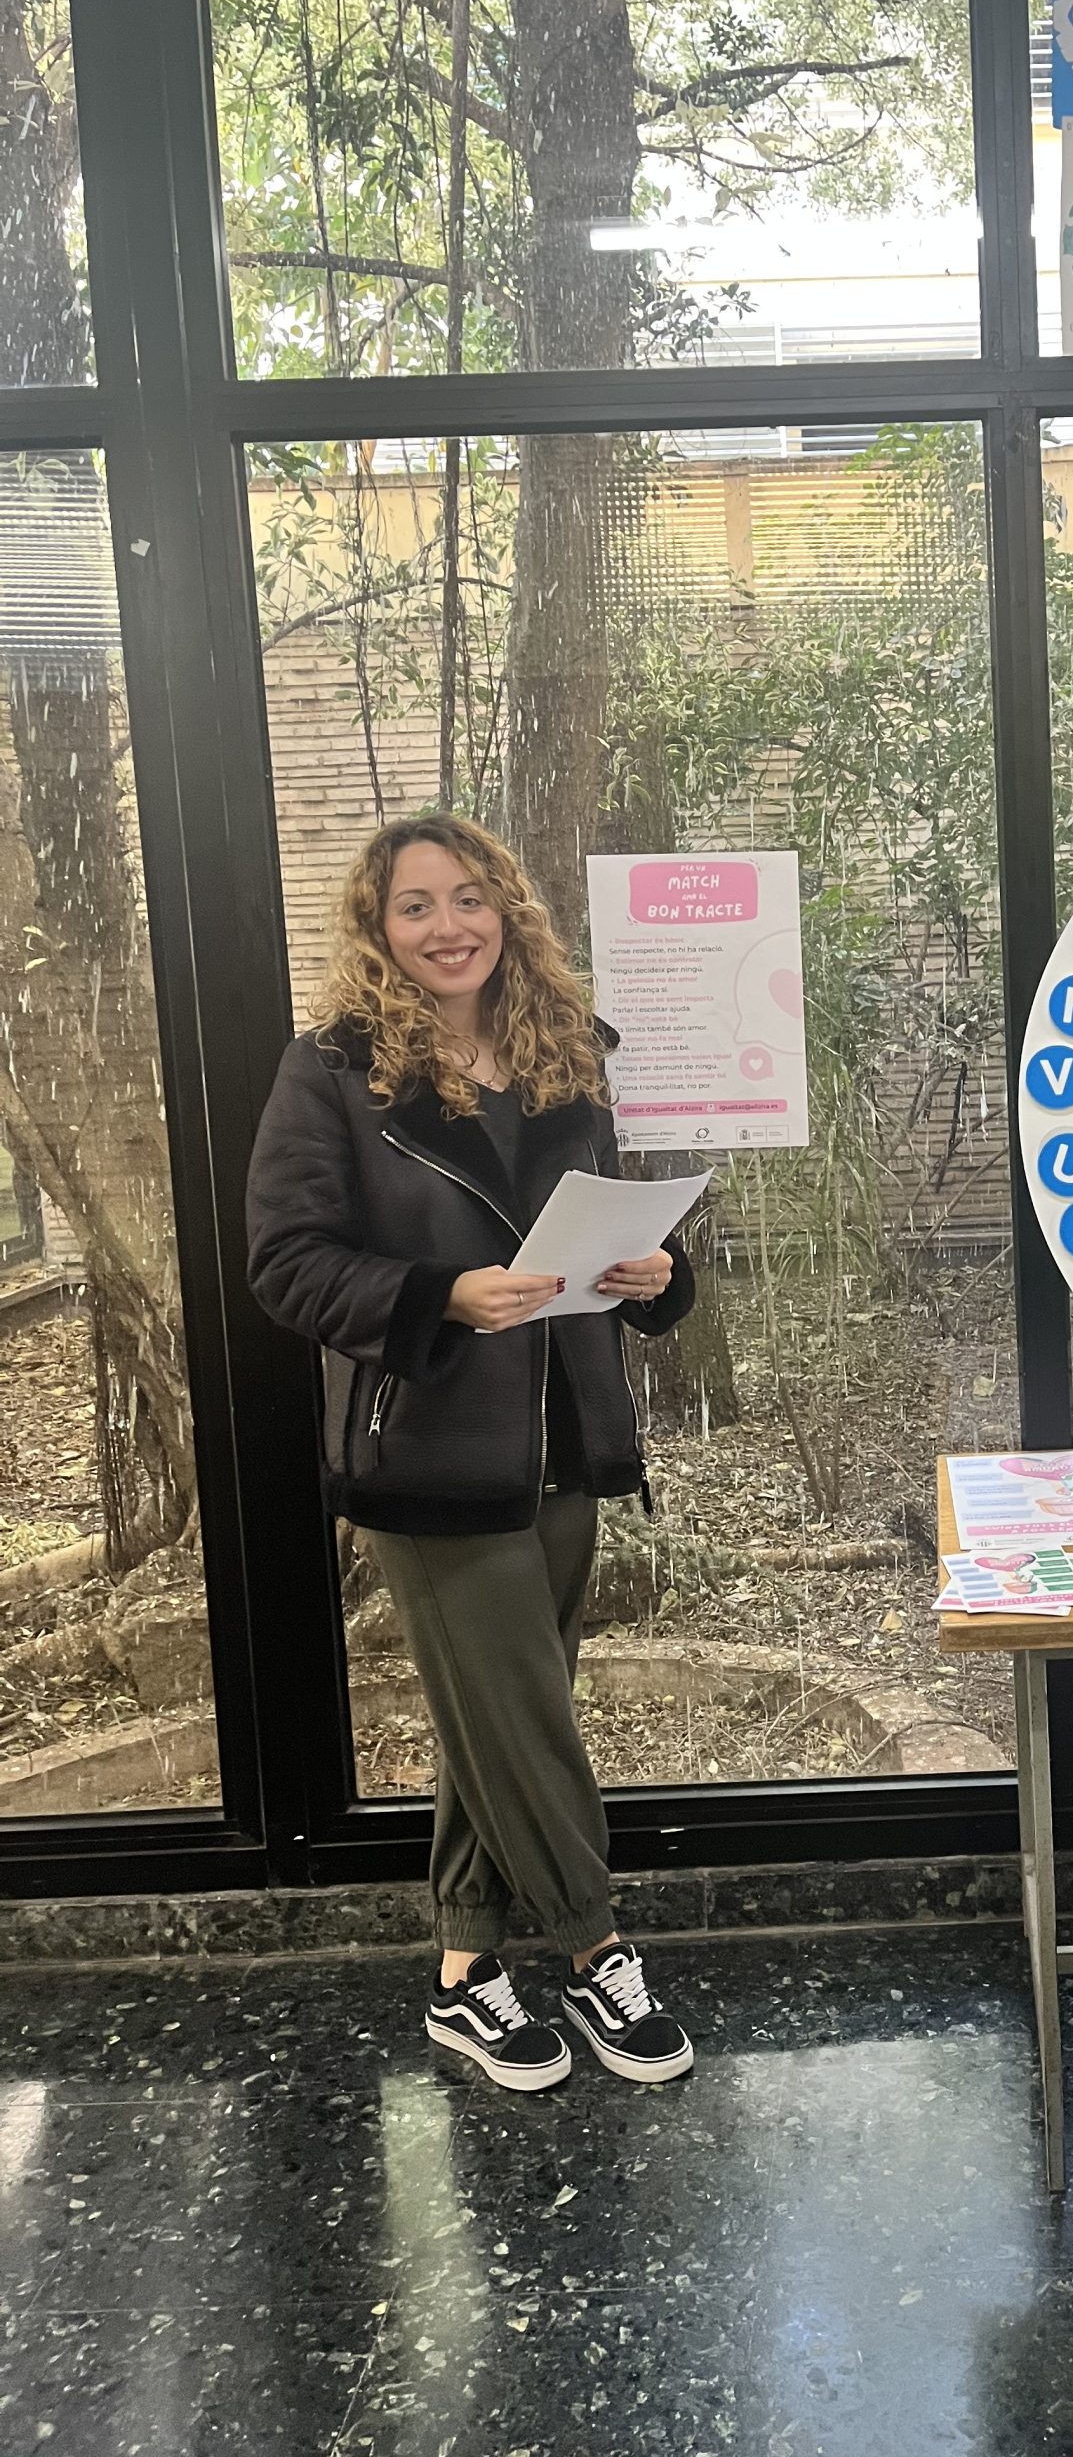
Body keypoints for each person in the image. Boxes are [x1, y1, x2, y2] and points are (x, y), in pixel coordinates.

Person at [246, 815, 697, 2093]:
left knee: (493, 1718)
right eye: (414, 906)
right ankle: (596, 1948)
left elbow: (618, 1228)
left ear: (507, 908)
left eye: (467, 897)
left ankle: (463, 1973)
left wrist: (657, 1273)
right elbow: (285, 1263)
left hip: (567, 1435)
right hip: (432, 1447)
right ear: (377, 928)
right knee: (521, 1715)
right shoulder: (332, 1070)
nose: (447, 926)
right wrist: (440, 1294)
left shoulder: (563, 1049)